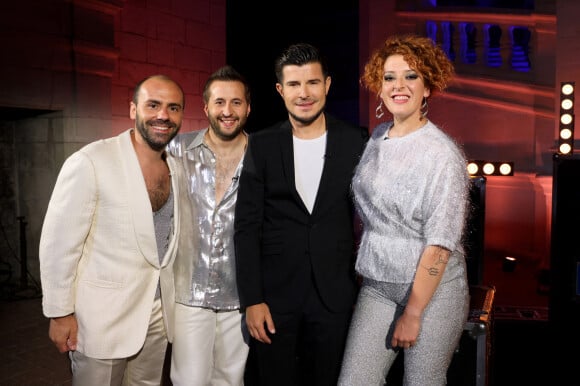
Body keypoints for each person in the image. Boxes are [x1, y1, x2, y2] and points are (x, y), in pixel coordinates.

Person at [337, 34, 471, 385]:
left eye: (411, 76)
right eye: (389, 77)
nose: (399, 85)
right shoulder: (378, 137)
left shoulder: (441, 154)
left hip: (433, 291)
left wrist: (413, 312)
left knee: (422, 382)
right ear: (379, 88)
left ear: (428, 87)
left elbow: (441, 243)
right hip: (379, 286)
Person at [233, 43, 369, 386]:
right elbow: (246, 227)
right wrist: (253, 300)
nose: (304, 93)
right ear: (280, 90)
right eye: (294, 84)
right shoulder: (261, 145)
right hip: (274, 299)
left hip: (333, 295)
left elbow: (370, 215)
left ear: (327, 85)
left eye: (312, 82)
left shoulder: (355, 141)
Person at [39, 74, 185, 385]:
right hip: (101, 319)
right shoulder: (91, 161)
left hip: (158, 314)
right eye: (153, 105)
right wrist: (60, 312)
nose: (163, 115)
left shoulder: (176, 167)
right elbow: (58, 244)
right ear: (133, 110)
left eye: (173, 108)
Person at [167, 65, 251, 386]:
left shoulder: (265, 157)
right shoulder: (176, 150)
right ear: (206, 107)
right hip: (189, 293)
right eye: (219, 102)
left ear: (248, 107)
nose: (227, 111)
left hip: (240, 298)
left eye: (236, 102)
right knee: (188, 381)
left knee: (232, 381)